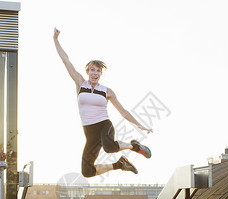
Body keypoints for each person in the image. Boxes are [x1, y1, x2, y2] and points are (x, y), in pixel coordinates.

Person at [53, 27, 153, 178]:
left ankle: (134, 146)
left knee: (109, 147)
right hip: (89, 132)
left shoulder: (107, 91)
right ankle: (119, 164)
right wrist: (55, 39)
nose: (95, 73)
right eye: (92, 70)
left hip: (104, 125)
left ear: (101, 74)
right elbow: (65, 59)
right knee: (87, 172)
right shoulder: (80, 83)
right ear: (87, 72)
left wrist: (139, 125)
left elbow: (123, 111)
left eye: (98, 71)